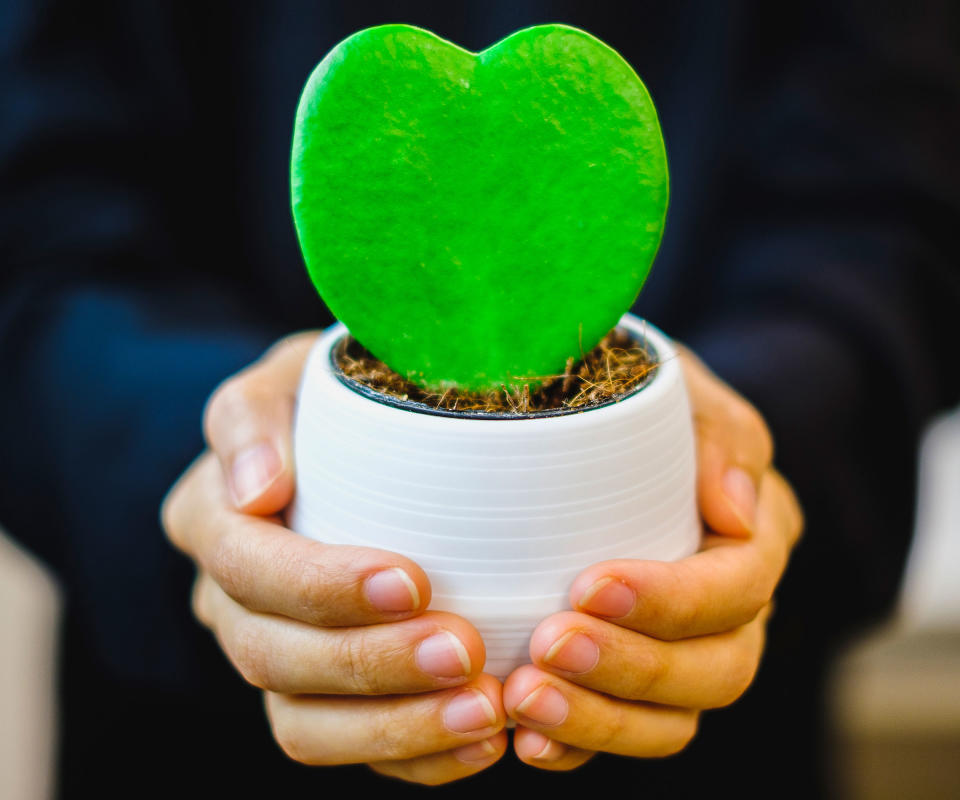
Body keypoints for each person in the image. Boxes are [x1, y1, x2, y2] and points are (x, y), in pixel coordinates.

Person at [1, 1, 958, 797]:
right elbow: (33, 227)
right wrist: (213, 463)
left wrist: (753, 440)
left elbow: (893, 204)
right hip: (191, 749)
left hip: (710, 730)